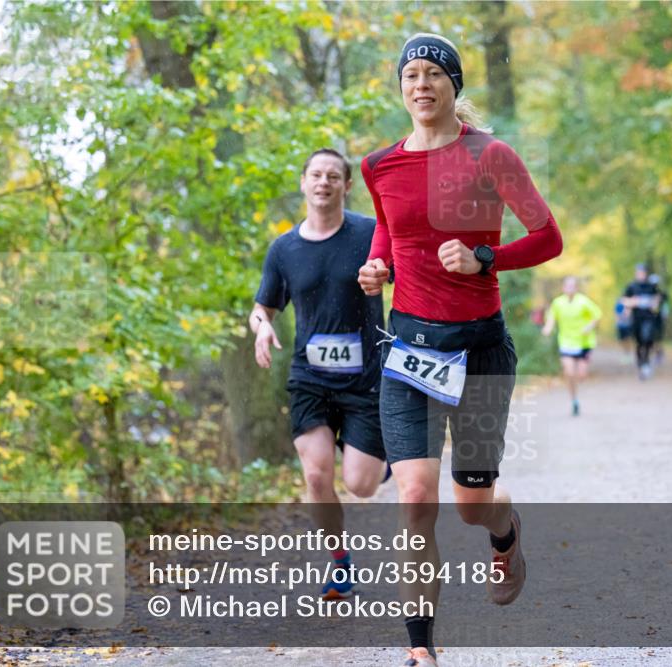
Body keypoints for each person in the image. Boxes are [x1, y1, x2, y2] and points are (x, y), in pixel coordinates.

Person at [357, 32, 562, 667]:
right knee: (415, 498)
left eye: (432, 75)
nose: (420, 84)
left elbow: (548, 238)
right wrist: (375, 266)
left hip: (478, 352)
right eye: (410, 75)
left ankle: (506, 532)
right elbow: (391, 231)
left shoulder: (490, 155)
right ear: (401, 88)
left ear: (454, 86)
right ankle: (422, 652)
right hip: (410, 352)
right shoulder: (379, 165)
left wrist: (485, 259)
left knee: (473, 504)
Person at [250, 148, 388, 601]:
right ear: (304, 182)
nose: (324, 182)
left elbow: (401, 276)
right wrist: (262, 327)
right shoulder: (284, 248)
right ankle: (340, 563)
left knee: (361, 485)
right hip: (310, 377)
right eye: (316, 174)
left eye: (333, 176)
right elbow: (261, 308)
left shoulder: (370, 232)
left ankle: (371, 458)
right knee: (314, 476)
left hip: (366, 377)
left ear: (347, 185)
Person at [542, 276, 602, 416]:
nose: (570, 288)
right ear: (563, 288)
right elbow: (551, 318)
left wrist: (589, 326)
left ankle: (577, 387)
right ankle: (574, 400)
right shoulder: (558, 302)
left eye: (572, 286)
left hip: (584, 343)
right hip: (566, 342)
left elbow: (597, 315)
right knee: (569, 372)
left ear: (576, 288)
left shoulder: (583, 301)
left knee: (581, 375)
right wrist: (547, 328)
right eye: (567, 286)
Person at [622, 263, 661, 380]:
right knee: (639, 343)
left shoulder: (651, 286)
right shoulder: (632, 286)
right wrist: (632, 303)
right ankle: (641, 365)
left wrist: (654, 303)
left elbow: (657, 298)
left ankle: (646, 362)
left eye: (643, 272)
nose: (641, 275)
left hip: (649, 318)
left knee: (647, 338)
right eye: (639, 272)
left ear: (646, 273)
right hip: (636, 318)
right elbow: (624, 301)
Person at [650, 273, 669, 365]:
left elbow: (666, 306)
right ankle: (656, 354)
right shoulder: (648, 293)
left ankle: (659, 354)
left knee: (658, 338)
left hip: (659, 319)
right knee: (651, 338)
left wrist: (665, 314)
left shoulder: (662, 294)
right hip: (649, 319)